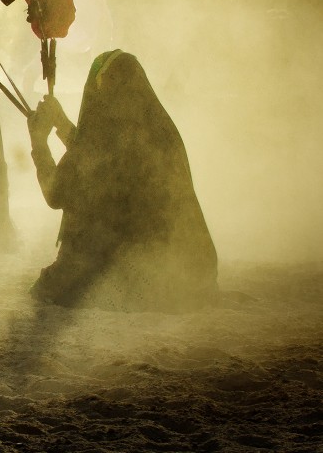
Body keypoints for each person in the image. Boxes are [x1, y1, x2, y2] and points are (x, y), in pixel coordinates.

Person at [27, 50, 218, 311]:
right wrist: (62, 124)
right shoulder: (160, 128)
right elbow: (103, 162)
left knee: (43, 292)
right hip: (190, 272)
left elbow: (58, 192)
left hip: (128, 270)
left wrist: (38, 141)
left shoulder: (104, 137)